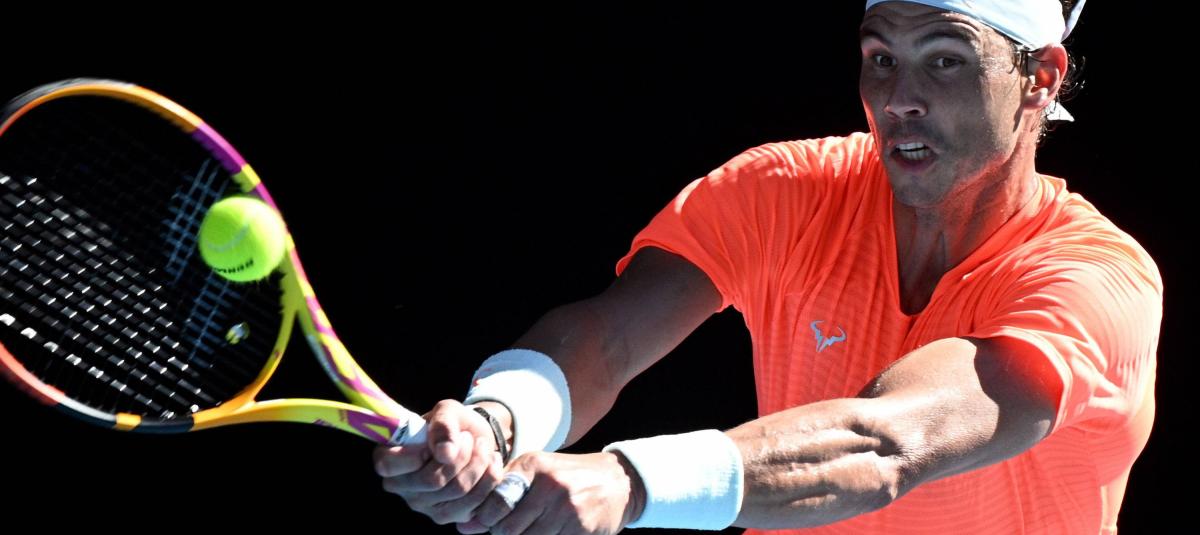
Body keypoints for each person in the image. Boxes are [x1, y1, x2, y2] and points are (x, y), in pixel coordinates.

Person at [374, 1, 1162, 533]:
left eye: (946, 60)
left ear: (1040, 78)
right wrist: (499, 417)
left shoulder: (1096, 281)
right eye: (880, 58)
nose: (899, 98)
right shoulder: (788, 189)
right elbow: (607, 338)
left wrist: (629, 480)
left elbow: (883, 442)